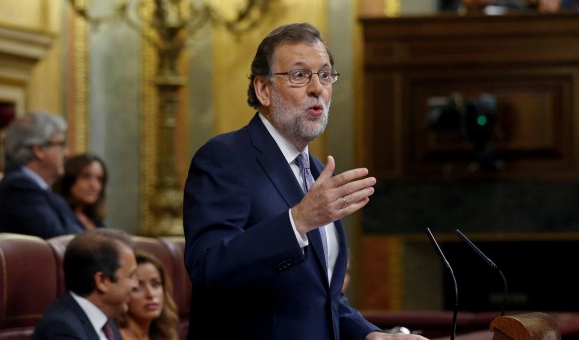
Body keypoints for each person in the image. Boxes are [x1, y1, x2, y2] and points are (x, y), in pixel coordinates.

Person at [182, 22, 428, 340]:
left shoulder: (315, 173)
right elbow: (208, 268)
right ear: (263, 89)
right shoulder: (225, 157)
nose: (317, 89)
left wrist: (372, 335)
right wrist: (297, 221)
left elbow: (322, 300)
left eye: (325, 75)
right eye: (300, 75)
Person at [0, 111, 84, 238]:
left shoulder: (42, 189)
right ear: (39, 150)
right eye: (61, 145)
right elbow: (59, 240)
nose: (67, 153)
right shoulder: (19, 188)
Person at [31, 228, 137, 340]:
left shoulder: (107, 321)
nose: (136, 285)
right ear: (101, 281)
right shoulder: (62, 329)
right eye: (131, 276)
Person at [116, 250, 179, 340]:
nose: (150, 294)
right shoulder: (113, 335)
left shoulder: (164, 335)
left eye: (155, 284)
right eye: (137, 288)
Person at [54, 153, 108, 230]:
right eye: (85, 177)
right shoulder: (56, 215)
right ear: (69, 180)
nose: (93, 185)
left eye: (99, 179)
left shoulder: (96, 221)